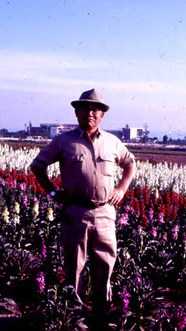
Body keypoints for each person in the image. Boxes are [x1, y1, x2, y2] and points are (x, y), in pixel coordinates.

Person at [30, 89, 136, 326]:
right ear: (77, 112)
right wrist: (53, 192)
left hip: (105, 213)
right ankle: (75, 319)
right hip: (76, 212)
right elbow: (37, 165)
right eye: (85, 108)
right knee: (74, 266)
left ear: (102, 115)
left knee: (105, 264)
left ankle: (100, 315)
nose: (90, 113)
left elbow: (130, 164)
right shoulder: (64, 141)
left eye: (95, 109)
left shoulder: (112, 142)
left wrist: (121, 190)